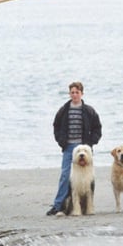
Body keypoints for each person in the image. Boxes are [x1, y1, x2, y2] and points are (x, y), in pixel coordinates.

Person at [47, 81, 102, 216]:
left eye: (77, 92)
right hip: (69, 147)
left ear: (82, 94)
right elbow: (56, 126)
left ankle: (88, 206)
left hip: (84, 147)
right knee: (66, 176)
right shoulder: (64, 110)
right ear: (69, 94)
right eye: (72, 92)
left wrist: (91, 143)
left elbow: (97, 128)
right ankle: (58, 205)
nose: (75, 95)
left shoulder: (89, 110)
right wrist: (61, 141)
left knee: (88, 178)